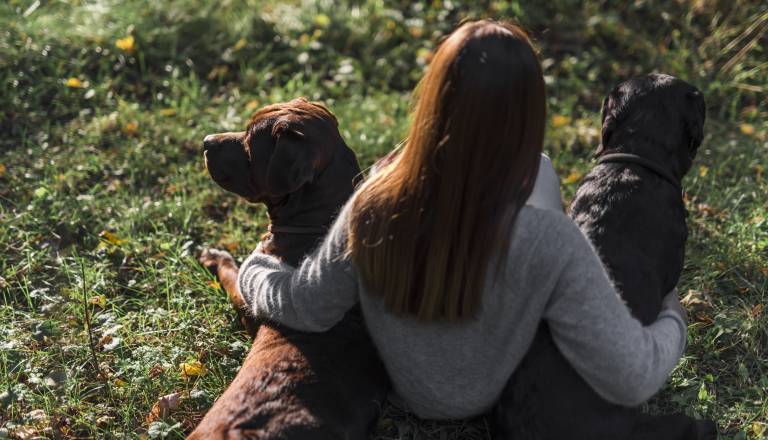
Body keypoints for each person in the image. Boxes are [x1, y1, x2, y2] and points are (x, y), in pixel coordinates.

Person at [238, 20, 687, 420]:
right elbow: (634, 375)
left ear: (434, 99)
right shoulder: (551, 240)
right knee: (542, 170)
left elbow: (307, 306)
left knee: (536, 173)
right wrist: (672, 309)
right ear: (529, 115)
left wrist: (253, 270)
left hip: (409, 393)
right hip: (500, 388)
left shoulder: (371, 204)